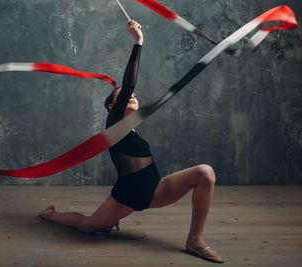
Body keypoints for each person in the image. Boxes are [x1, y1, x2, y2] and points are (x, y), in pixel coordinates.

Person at [40, 19, 224, 263]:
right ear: (111, 106)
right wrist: (138, 42)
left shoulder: (133, 130)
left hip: (154, 191)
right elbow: (128, 85)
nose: (132, 96)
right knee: (87, 226)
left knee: (206, 173)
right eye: (124, 97)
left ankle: (195, 240)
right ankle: (50, 215)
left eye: (133, 96)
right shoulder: (113, 125)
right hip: (126, 196)